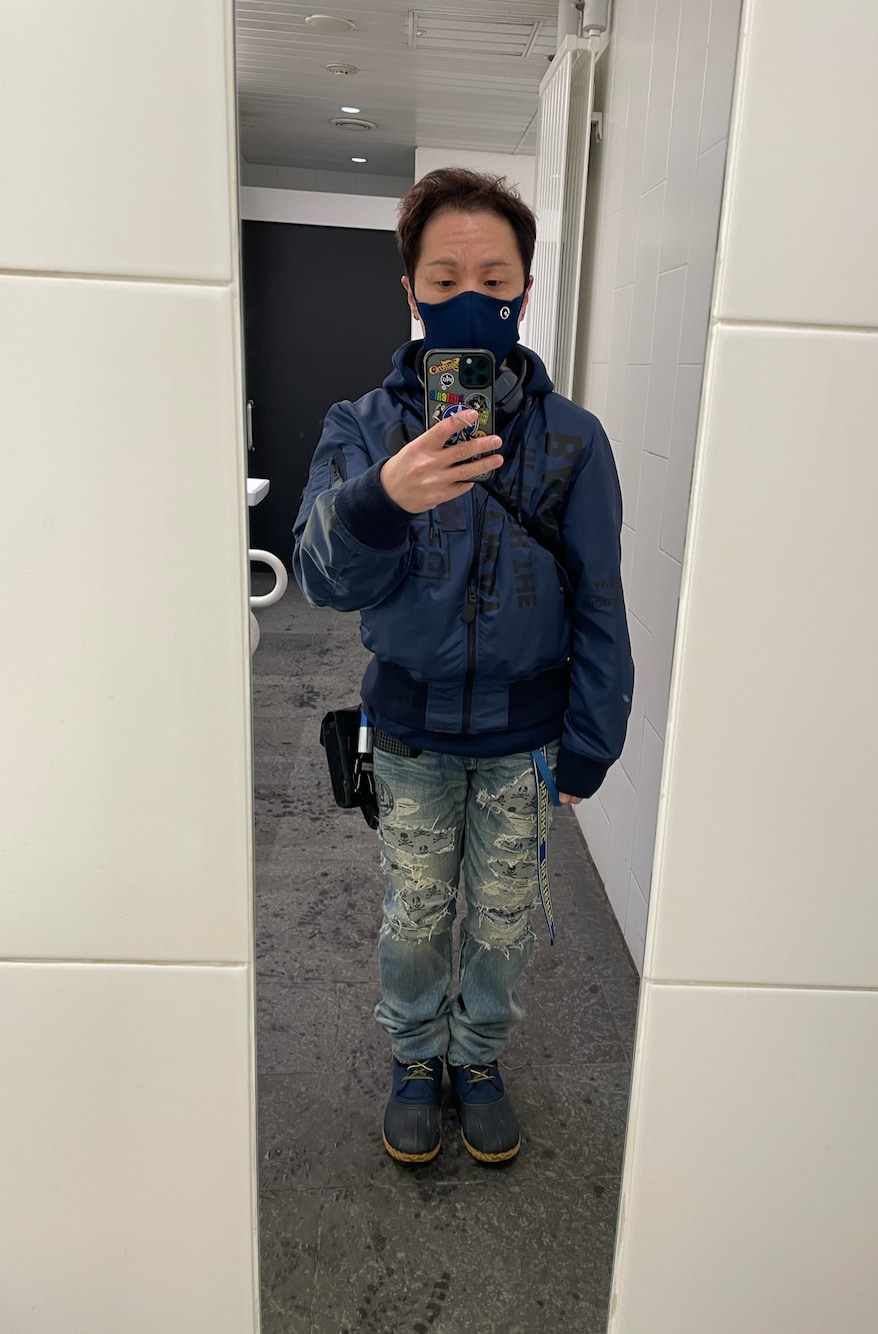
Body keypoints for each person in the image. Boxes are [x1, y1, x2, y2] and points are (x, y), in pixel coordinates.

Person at [293, 168, 633, 1166]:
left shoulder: (574, 441)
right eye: (445, 280)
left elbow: (600, 597)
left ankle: (477, 1059)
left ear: (525, 290)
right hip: (409, 733)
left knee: (502, 918)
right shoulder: (362, 428)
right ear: (410, 291)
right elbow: (319, 578)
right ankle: (414, 1056)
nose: (470, 298)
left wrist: (592, 740)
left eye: (494, 278)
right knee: (415, 910)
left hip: (526, 738)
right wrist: (382, 497)